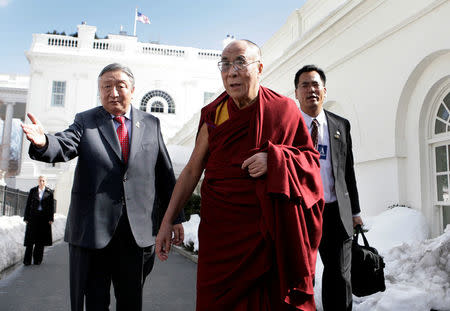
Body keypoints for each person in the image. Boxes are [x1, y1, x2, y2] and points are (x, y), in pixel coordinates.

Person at [156, 40, 324, 311]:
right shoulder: (214, 114)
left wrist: (276, 160)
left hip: (265, 236)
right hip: (220, 235)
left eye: (240, 63)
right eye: (225, 64)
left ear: (259, 68)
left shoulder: (284, 110)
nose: (231, 72)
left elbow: (310, 164)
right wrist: (167, 221)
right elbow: (191, 170)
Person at [21, 63, 184, 311]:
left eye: (120, 86)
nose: (113, 92)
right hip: (94, 235)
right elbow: (64, 144)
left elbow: (165, 175)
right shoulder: (86, 121)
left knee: (131, 302)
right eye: (106, 87)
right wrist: (44, 142)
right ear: (99, 91)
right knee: (95, 303)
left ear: (132, 89)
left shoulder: (151, 123)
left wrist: (175, 218)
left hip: (136, 235)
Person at [294, 64, 364, 311]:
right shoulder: (289, 126)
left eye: (315, 84)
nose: (311, 90)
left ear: (324, 90)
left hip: (336, 213)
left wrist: (355, 212)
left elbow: (348, 171)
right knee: (303, 277)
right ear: (296, 93)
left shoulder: (340, 125)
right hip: (301, 214)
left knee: (340, 278)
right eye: (305, 85)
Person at [23, 175, 55, 266]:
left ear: (46, 182)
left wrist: (51, 218)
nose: (42, 182)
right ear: (38, 181)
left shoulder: (49, 192)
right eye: (40, 180)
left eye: (43, 181)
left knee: (40, 240)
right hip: (33, 217)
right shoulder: (33, 191)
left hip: (44, 219)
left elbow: (51, 207)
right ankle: (27, 261)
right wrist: (26, 217)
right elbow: (28, 204)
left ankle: (37, 260)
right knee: (30, 240)